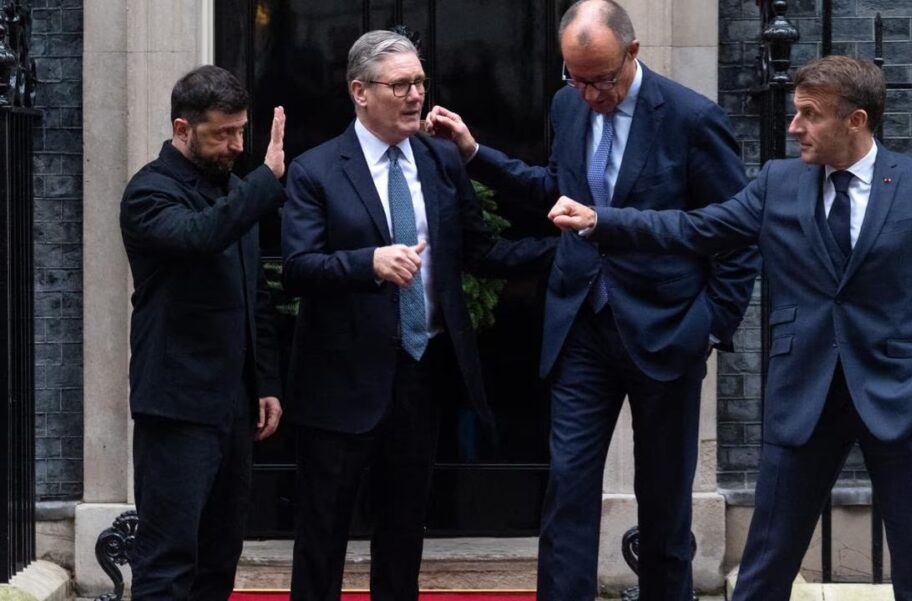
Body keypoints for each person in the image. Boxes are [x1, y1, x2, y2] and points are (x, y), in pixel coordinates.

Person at [550, 55, 912, 601]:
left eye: (809, 115)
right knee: (765, 567)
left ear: (857, 120)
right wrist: (602, 220)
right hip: (802, 394)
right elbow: (696, 228)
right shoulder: (780, 182)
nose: (794, 126)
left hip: (901, 396)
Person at [426, 2, 759, 599]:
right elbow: (558, 193)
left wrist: (711, 324)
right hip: (581, 325)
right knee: (568, 493)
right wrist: (476, 153)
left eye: (600, 79)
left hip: (668, 330)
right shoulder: (566, 105)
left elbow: (735, 231)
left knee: (664, 504)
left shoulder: (691, 118)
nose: (588, 94)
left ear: (633, 54)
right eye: (574, 79)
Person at [281, 30, 556, 601]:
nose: (414, 96)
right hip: (340, 380)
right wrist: (369, 262)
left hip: (421, 371)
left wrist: (567, 248)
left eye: (420, 83)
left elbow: (479, 251)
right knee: (323, 532)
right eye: (399, 84)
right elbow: (300, 267)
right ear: (360, 91)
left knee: (404, 528)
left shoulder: (439, 160)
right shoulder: (316, 169)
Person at [120, 65, 287, 600]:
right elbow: (199, 236)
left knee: (220, 560)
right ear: (182, 129)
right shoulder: (150, 192)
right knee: (169, 563)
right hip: (175, 408)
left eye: (242, 130)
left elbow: (252, 294)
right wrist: (266, 180)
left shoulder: (238, 193)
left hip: (232, 408)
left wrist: (264, 382)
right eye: (223, 133)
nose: (237, 144)